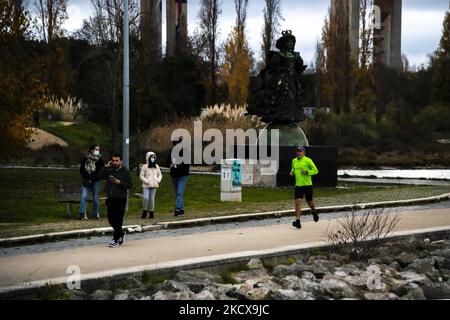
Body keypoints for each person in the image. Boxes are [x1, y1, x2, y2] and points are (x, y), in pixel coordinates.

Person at [98, 153, 132, 248]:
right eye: (113, 160)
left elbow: (129, 185)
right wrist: (105, 167)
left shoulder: (126, 172)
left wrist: (120, 182)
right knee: (110, 218)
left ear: (121, 161)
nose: (115, 162)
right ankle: (120, 233)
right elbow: (99, 176)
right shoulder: (109, 170)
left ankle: (115, 239)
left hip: (121, 198)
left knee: (118, 220)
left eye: (117, 160)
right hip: (110, 198)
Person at [290, 146, 319, 229]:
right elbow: (293, 169)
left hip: (307, 185)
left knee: (309, 202)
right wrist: (292, 172)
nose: (298, 153)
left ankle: (314, 211)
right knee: (298, 201)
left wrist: (307, 172)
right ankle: (298, 221)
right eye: (297, 152)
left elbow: (316, 170)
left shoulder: (308, 160)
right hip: (298, 185)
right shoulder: (294, 161)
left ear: (304, 152)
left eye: (300, 151)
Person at [78, 144, 105, 220]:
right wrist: (87, 178)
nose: (97, 151)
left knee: (96, 198)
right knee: (84, 197)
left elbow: (102, 171)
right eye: (96, 149)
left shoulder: (100, 160)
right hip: (86, 181)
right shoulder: (86, 159)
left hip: (96, 181)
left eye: (98, 149)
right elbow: (82, 170)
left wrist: (93, 178)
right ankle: (81, 214)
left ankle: (95, 214)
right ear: (92, 150)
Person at [166, 138, 190, 217]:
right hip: (174, 175)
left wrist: (178, 165)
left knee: (179, 192)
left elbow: (187, 164)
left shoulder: (185, 151)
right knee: (178, 193)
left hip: (183, 175)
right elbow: (167, 162)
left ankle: (177, 208)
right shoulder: (172, 152)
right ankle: (181, 210)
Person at [139, 151, 162, 219]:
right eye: (151, 157)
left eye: (153, 157)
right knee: (146, 198)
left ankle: (151, 213)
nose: (152, 158)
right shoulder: (144, 166)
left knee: (152, 199)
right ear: (148, 158)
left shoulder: (156, 166)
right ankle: (144, 211)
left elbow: (160, 174)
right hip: (146, 185)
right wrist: (146, 181)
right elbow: (141, 176)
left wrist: (158, 180)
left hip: (154, 185)